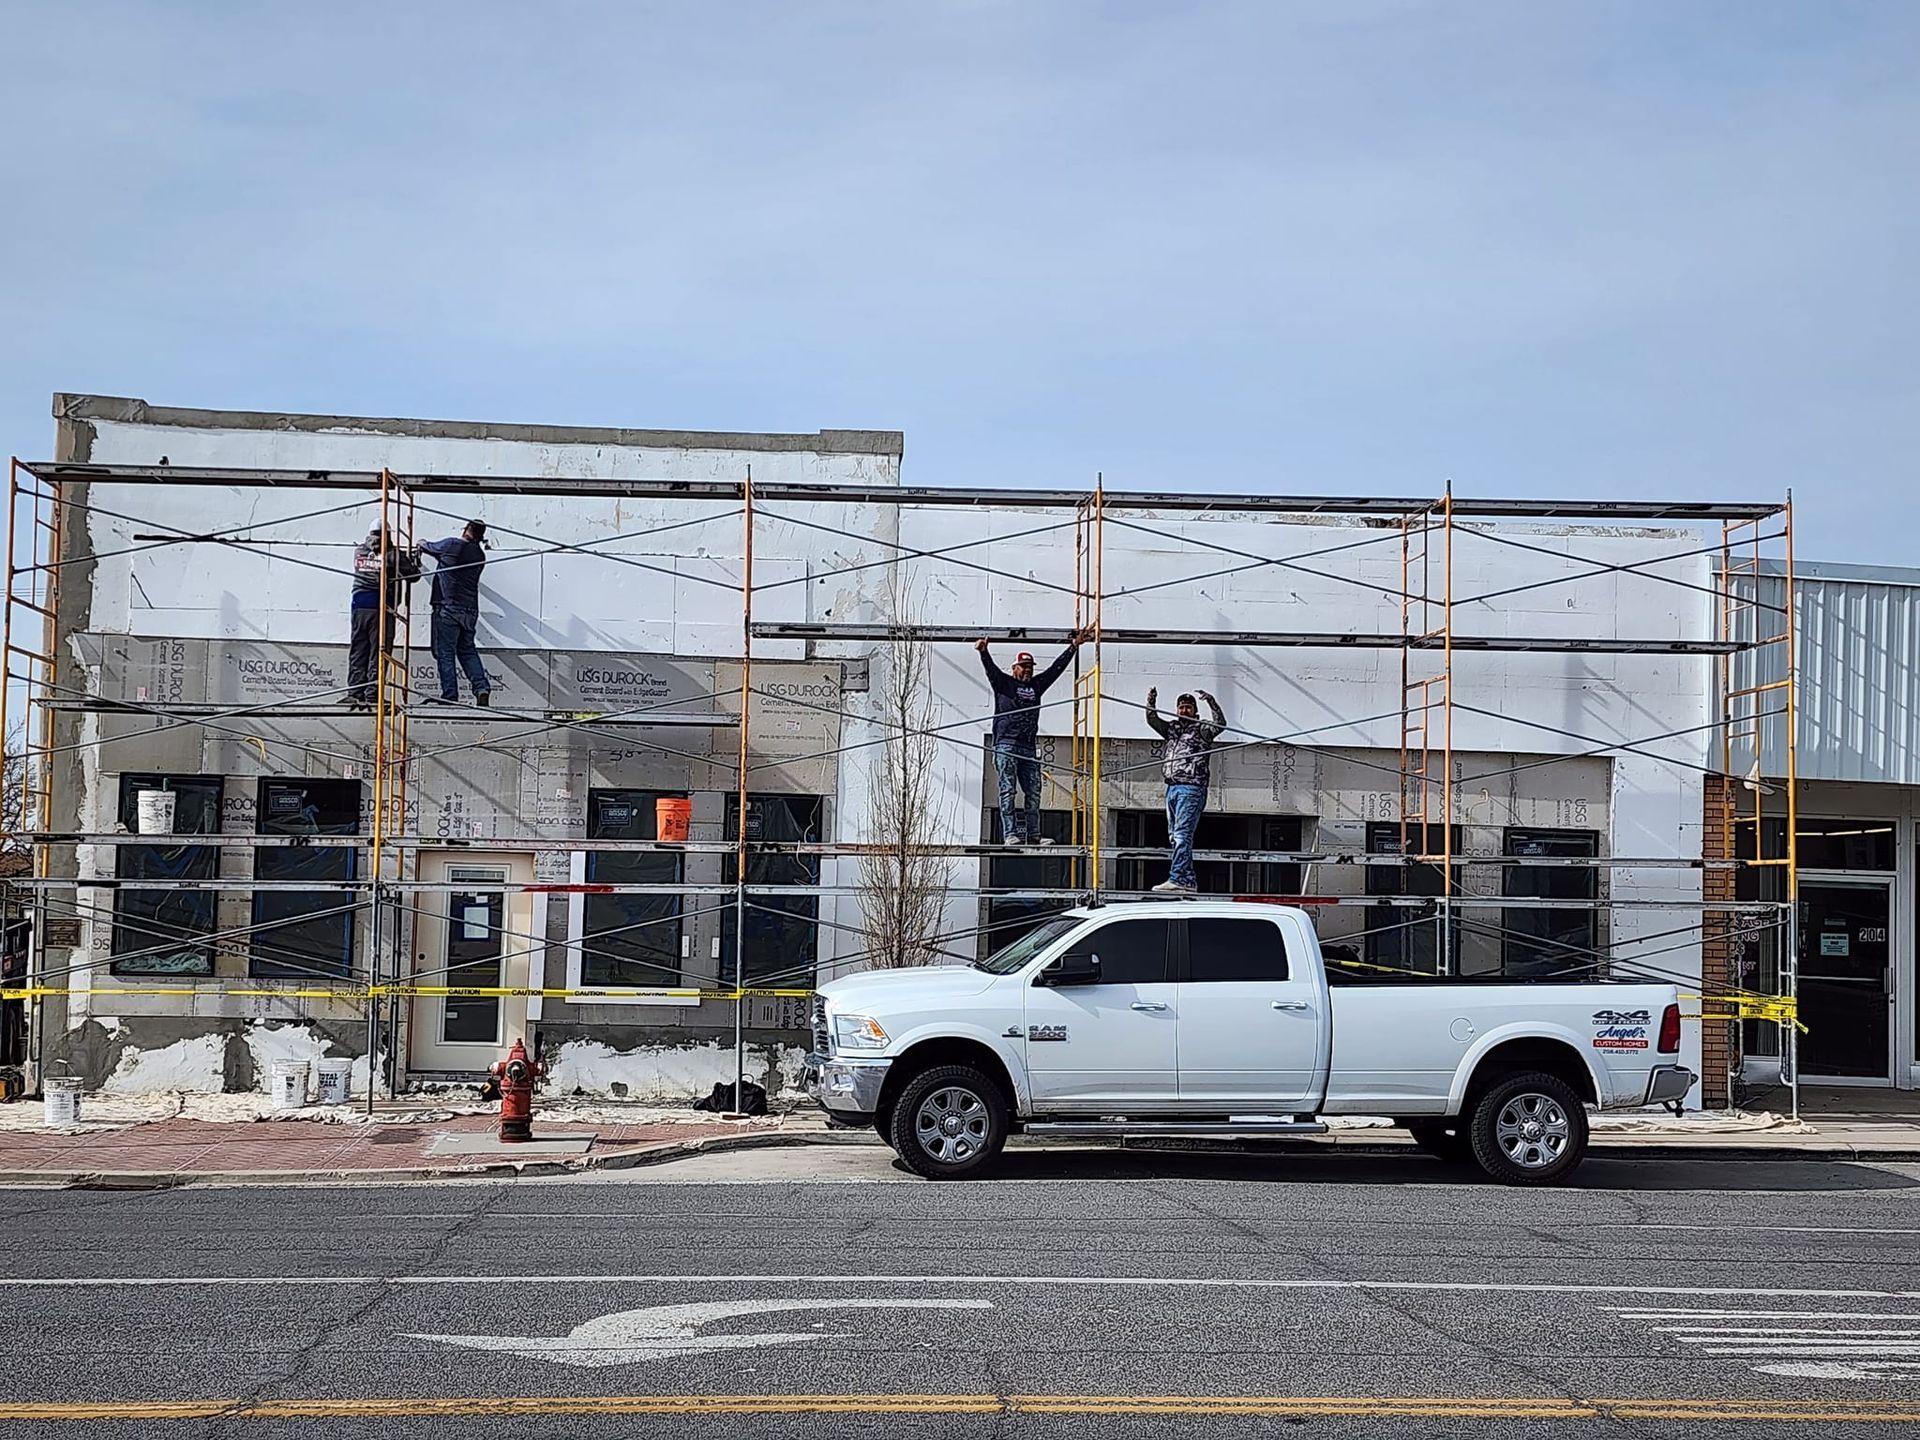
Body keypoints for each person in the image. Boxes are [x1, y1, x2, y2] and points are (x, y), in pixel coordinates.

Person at [975, 632, 1087, 845]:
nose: (1027, 670)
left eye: (1030, 667)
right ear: (1014, 668)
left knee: (1033, 791)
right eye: (1024, 667)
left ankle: (1033, 835)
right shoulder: (1004, 684)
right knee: (1007, 790)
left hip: (1027, 746)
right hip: (1006, 745)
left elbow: (1056, 670)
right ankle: (1010, 834)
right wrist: (984, 651)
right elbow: (990, 670)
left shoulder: (1036, 686)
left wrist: (1073, 646)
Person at [1145, 687, 1226, 893]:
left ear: (1195, 710)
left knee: (1182, 834)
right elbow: (1153, 721)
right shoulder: (1172, 728)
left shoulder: (1201, 729)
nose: (1184, 711)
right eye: (1181, 707)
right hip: (1172, 786)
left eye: (1188, 708)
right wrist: (1151, 701)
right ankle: (1187, 878)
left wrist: (1212, 702)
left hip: (1191, 787)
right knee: (1175, 835)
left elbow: (1220, 725)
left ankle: (1178, 877)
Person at [417, 519, 491, 706]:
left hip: (447, 607)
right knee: (467, 651)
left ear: (466, 529)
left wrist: (420, 542)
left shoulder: (451, 544)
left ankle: (450, 696)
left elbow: (427, 547)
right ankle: (481, 688)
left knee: (445, 653)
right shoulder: (480, 555)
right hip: (470, 610)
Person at [347, 521, 419, 709]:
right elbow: (413, 575)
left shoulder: (359, 551)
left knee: (358, 649)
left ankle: (354, 692)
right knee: (379, 651)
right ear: (388, 533)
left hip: (358, 605)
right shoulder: (393, 554)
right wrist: (412, 559)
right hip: (381, 607)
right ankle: (372, 694)